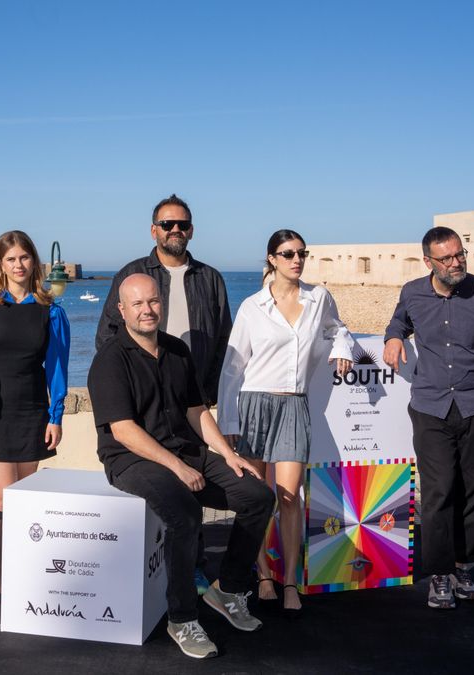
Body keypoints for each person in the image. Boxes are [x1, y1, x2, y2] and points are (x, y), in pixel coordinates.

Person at [88, 274, 274, 659]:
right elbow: (123, 431)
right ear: (122, 310)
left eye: (153, 301)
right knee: (186, 514)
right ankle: (182, 617)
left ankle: (229, 589)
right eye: (137, 304)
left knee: (257, 495)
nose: (147, 310)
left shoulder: (176, 350)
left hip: (186, 451)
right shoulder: (110, 359)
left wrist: (227, 453)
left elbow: (195, 410)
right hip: (132, 459)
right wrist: (176, 467)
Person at [95, 193, 233, 594]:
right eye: (167, 224)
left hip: (188, 403)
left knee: (193, 490)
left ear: (191, 229)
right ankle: (160, 577)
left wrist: (203, 397)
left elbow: (221, 340)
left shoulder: (210, 279)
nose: (176, 230)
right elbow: (108, 336)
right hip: (143, 409)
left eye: (183, 224)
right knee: (169, 493)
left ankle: (194, 569)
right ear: (153, 230)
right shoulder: (133, 273)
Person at [216, 229, 355, 615]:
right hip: (253, 405)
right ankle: (263, 575)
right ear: (272, 259)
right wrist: (228, 420)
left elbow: (337, 328)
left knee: (291, 497)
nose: (297, 259)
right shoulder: (252, 307)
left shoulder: (318, 298)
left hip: (295, 405)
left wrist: (342, 348)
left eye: (301, 253)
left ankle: (290, 580)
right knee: (259, 497)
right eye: (287, 253)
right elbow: (233, 367)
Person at [382, 226, 474, 610]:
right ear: (429, 262)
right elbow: (399, 321)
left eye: (460, 254)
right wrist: (394, 336)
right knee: (439, 490)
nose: (457, 262)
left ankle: (462, 566)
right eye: (447, 258)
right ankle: (439, 573)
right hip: (431, 408)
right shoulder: (412, 292)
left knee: (473, 493)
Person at [0, 230, 70, 602]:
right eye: (10, 259)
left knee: (25, 498)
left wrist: (56, 416)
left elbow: (56, 368)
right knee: (3, 499)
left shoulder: (50, 310)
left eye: (24, 258)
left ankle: (21, 567)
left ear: (33, 262)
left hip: (32, 410)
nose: (18, 265)